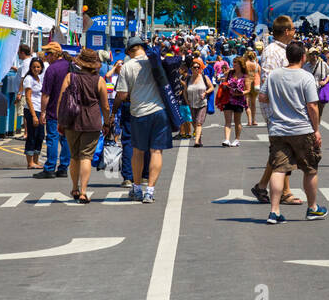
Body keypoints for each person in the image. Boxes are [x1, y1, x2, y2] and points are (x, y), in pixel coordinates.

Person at [263, 41, 328, 224]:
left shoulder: (274, 75)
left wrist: (279, 101)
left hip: (278, 129)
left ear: (287, 57)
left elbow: (263, 96)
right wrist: (316, 130)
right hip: (302, 129)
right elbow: (312, 106)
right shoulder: (306, 77)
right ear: (303, 57)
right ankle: (312, 208)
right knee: (310, 169)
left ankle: (274, 211)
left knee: (278, 169)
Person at [114, 36, 172, 204]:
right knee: (156, 151)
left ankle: (137, 188)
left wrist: (118, 107)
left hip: (139, 113)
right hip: (160, 111)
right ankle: (150, 191)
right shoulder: (155, 62)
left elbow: (122, 95)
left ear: (131, 51)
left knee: (138, 151)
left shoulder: (127, 66)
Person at [251, 16, 299, 205]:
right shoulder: (272, 51)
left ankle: (262, 186)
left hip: (283, 106)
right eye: (293, 28)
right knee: (283, 149)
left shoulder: (283, 50)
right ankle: (284, 192)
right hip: (275, 107)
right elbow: (269, 80)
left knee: (283, 148)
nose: (295, 31)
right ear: (286, 31)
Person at [54, 47, 112, 204]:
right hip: (92, 121)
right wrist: (107, 123)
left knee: (74, 156)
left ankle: (74, 187)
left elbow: (61, 100)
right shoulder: (99, 80)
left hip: (72, 120)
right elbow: (105, 107)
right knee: (86, 156)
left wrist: (61, 121)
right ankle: (84, 192)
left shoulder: (70, 77)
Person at [35, 42, 72, 179]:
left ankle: (50, 167)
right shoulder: (70, 66)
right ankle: (63, 168)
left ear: (53, 54)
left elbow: (46, 94)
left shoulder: (51, 69)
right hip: (69, 109)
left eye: (47, 54)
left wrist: (43, 112)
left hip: (54, 110)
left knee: (52, 138)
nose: (45, 57)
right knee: (66, 139)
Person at [22, 57, 46, 169]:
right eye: (34, 67)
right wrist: (33, 116)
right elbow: (28, 97)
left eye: (38, 67)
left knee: (40, 135)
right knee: (32, 135)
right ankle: (30, 162)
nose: (36, 69)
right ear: (30, 68)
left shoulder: (39, 78)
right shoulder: (29, 79)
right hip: (32, 110)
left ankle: (36, 161)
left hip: (39, 110)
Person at [185, 60, 213, 148]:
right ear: (191, 69)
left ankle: (196, 141)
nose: (196, 69)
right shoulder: (188, 79)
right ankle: (199, 138)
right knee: (194, 122)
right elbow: (185, 91)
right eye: (194, 67)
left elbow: (211, 87)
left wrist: (206, 93)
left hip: (202, 103)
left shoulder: (204, 78)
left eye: (198, 67)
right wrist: (187, 101)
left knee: (199, 123)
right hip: (192, 104)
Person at [221, 57, 248, 146]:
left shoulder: (245, 75)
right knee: (227, 121)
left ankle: (237, 139)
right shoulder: (230, 73)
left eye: (236, 63)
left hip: (239, 100)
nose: (234, 64)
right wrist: (225, 86)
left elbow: (248, 89)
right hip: (228, 98)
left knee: (237, 121)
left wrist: (241, 93)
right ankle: (227, 139)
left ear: (240, 64)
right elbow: (224, 82)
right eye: (233, 63)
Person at [242, 49, 262, 127]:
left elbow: (241, 74)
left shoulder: (245, 64)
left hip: (246, 84)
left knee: (247, 104)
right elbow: (260, 74)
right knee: (253, 103)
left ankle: (249, 120)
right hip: (255, 84)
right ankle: (254, 120)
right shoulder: (257, 65)